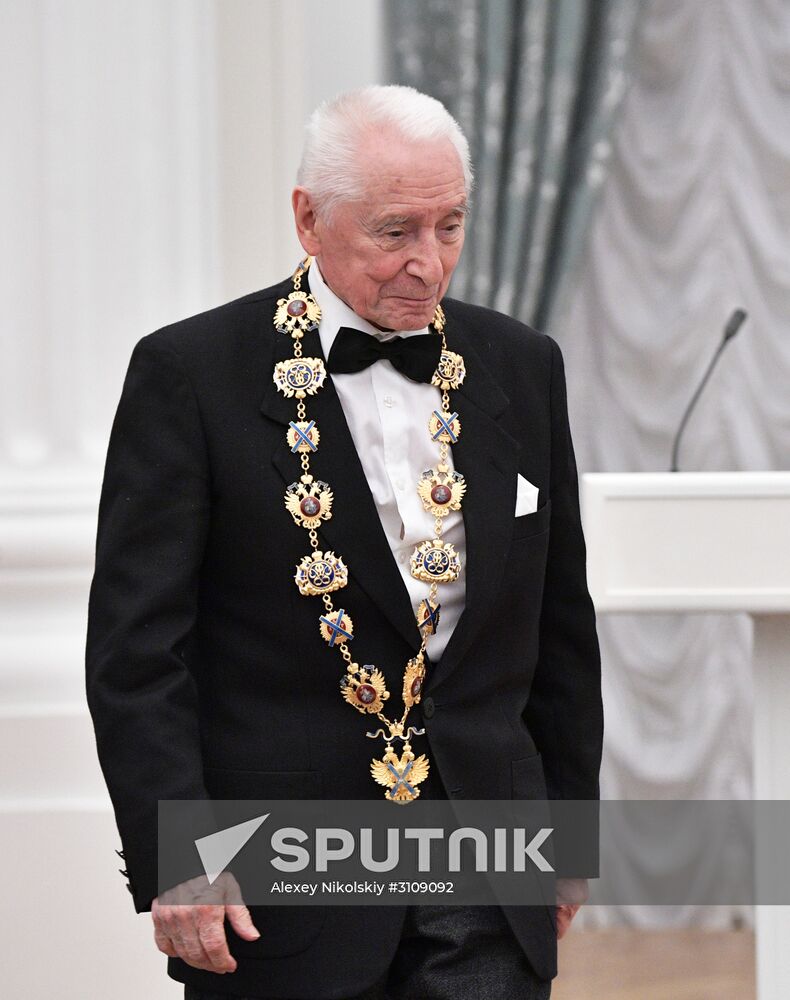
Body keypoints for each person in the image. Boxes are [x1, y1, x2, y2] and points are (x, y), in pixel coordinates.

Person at [86, 84, 602, 1000]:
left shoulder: (523, 365)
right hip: (278, 880)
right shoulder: (189, 375)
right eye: (394, 231)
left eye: (450, 225)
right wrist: (178, 853)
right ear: (309, 219)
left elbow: (559, 623)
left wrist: (568, 834)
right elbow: (138, 656)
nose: (428, 264)